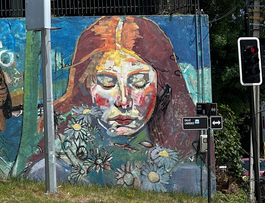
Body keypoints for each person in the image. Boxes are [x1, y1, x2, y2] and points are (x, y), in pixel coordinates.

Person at [27, 16, 201, 192]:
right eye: (108, 83)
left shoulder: (184, 165)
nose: (123, 101)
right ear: (88, 85)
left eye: (139, 82)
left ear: (160, 85)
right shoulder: (59, 158)